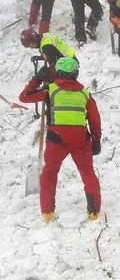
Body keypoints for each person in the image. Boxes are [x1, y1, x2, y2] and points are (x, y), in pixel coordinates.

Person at [19, 57, 102, 222]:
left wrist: (37, 79)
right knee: (87, 172)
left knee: (49, 173)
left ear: (58, 72)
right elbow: (94, 119)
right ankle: (94, 211)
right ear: (76, 73)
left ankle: (48, 212)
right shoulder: (85, 93)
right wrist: (96, 140)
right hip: (81, 140)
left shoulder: (50, 90)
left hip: (56, 139)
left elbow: (24, 97)